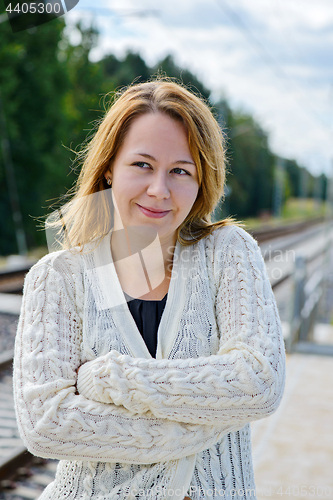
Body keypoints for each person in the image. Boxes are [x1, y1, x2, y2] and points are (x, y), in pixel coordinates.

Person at [13, 79, 286, 500]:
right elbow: (46, 424)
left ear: (201, 181)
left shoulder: (228, 253)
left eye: (180, 170)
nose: (159, 190)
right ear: (109, 167)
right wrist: (205, 417)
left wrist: (109, 379)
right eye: (142, 165)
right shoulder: (59, 277)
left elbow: (259, 382)